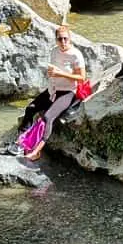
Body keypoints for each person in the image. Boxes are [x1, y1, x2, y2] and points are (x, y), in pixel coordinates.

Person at [17, 25, 87, 160]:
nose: (63, 42)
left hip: (68, 92)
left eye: (65, 39)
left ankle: (36, 151)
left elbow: (82, 78)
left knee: (48, 118)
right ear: (56, 40)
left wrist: (60, 73)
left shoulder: (76, 55)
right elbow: (52, 70)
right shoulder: (54, 51)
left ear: (70, 39)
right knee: (30, 108)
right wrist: (51, 74)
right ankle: (22, 140)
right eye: (60, 39)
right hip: (52, 90)